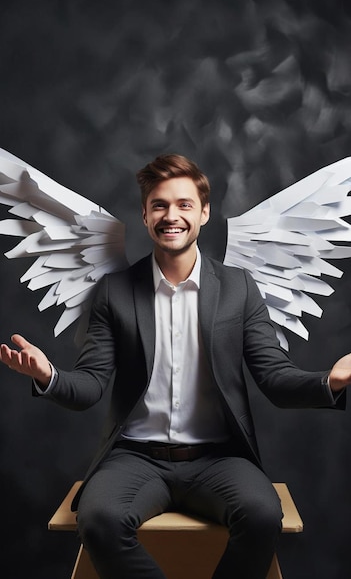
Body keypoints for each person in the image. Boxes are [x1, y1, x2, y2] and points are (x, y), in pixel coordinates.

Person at [1, 153, 351, 579]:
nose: (172, 216)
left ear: (204, 212)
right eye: (160, 205)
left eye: (184, 204)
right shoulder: (115, 291)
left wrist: (329, 381)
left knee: (261, 517)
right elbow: (91, 385)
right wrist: (48, 376)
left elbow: (274, 378)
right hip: (134, 459)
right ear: (145, 215)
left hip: (220, 459)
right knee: (100, 522)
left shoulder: (239, 288)